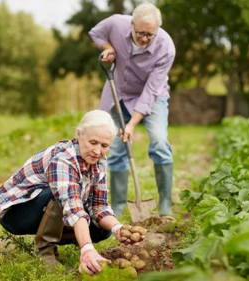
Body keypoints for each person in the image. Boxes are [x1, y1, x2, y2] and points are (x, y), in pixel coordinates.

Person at [0, 110, 145, 275]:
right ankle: (44, 252)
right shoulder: (63, 158)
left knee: (102, 229)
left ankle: (76, 242)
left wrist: (117, 228)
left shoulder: (99, 162)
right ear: (79, 134)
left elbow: (98, 205)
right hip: (15, 213)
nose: (98, 151)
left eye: (104, 146)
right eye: (93, 142)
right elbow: (73, 206)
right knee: (59, 195)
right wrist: (87, 248)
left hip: (48, 208)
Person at [88, 3, 176, 220]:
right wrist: (108, 48)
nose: (145, 38)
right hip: (119, 93)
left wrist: (132, 124)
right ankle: (117, 205)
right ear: (131, 24)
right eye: (140, 33)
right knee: (117, 146)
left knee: (159, 141)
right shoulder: (116, 23)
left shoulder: (166, 47)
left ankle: (165, 203)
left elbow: (151, 91)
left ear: (157, 30)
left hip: (152, 97)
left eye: (150, 34)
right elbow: (96, 33)